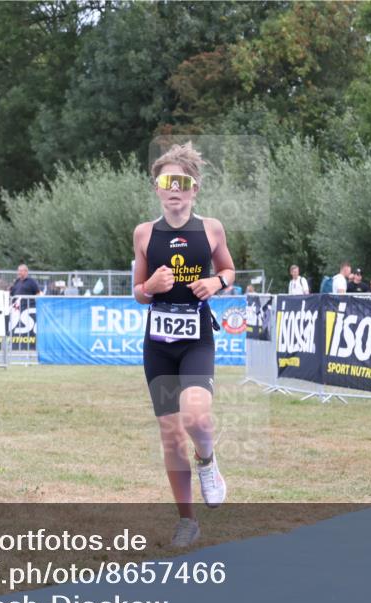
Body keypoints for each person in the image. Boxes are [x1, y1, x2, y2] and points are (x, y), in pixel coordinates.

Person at [132, 142, 235, 548]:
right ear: (157, 188)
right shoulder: (144, 233)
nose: (174, 189)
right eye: (166, 181)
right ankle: (187, 520)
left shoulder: (211, 229)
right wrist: (149, 288)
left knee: (196, 418)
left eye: (182, 182)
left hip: (196, 338)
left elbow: (229, 269)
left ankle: (208, 461)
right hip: (158, 344)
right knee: (171, 434)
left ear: (195, 189)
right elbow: (138, 291)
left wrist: (216, 282)